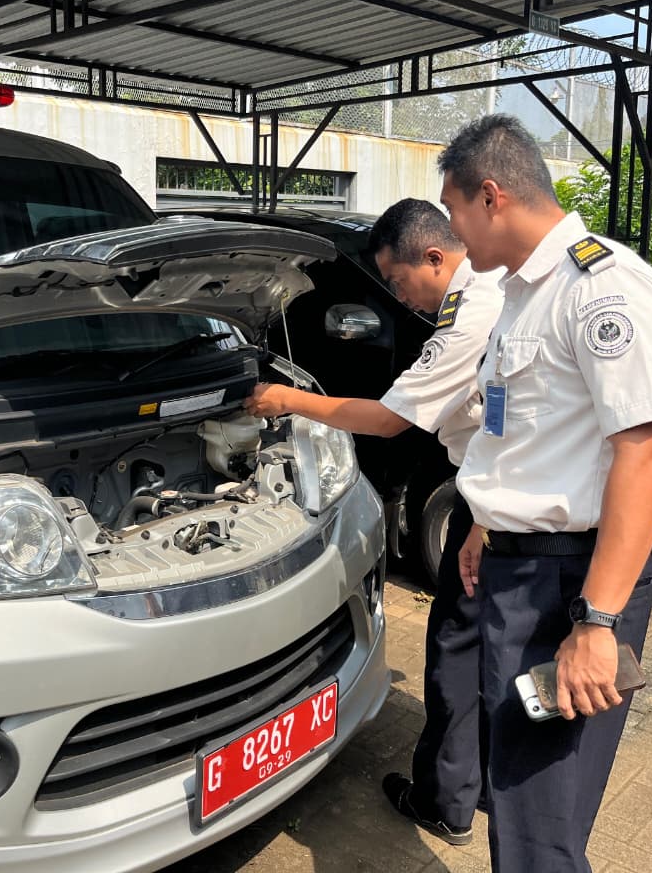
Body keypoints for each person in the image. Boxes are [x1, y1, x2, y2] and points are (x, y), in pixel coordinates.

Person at [439, 114, 652, 872]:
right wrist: (486, 521)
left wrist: (598, 622)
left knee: (538, 830)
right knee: (525, 812)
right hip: (521, 571)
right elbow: (528, 435)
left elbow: (647, 453)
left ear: (491, 196)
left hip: (566, 586)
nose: (454, 239)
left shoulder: (601, 286)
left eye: (453, 215)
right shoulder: (521, 294)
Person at [244, 198, 502, 845]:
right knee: (503, 649)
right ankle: (495, 781)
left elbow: (388, 419)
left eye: (395, 279)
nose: (397, 294)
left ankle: (446, 799)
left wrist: (286, 399)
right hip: (513, 494)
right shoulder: (504, 283)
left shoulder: (469, 320)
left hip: (499, 500)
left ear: (435, 258)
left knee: (457, 651)